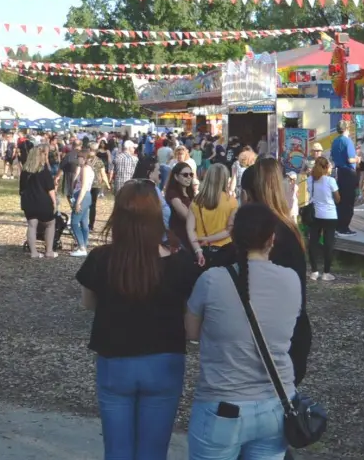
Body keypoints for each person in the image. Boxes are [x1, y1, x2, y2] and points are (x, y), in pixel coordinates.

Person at [77, 180, 200, 459]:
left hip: (115, 359)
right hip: (164, 361)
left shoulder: (100, 259)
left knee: (117, 450)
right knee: (154, 451)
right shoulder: (180, 264)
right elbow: (189, 313)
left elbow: (88, 303)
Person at [184, 203, 304, 460]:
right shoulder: (292, 280)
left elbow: (191, 332)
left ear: (234, 236)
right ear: (272, 238)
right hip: (277, 404)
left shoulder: (212, 279)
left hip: (222, 406)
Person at [237, 158, 313, 384]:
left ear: (249, 194)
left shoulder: (265, 234)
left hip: (269, 335)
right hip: (291, 329)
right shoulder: (289, 228)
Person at [306, 155, 339, 282]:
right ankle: (326, 273)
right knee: (328, 244)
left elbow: (311, 193)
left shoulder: (310, 180)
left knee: (313, 243)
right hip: (330, 215)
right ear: (326, 167)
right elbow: (338, 198)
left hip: (314, 215)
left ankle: (314, 271)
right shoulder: (331, 181)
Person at [164, 161, 205, 263]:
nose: (189, 177)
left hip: (193, 236)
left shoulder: (190, 194)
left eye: (191, 174)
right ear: (176, 177)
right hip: (180, 238)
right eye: (185, 175)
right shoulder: (173, 194)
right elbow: (186, 216)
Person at [193, 163, 236, 256]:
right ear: (225, 179)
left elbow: (190, 229)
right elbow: (230, 230)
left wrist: (198, 250)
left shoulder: (196, 201)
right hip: (226, 250)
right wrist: (209, 239)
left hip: (202, 248)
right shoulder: (232, 201)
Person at [330, 122, 359, 237]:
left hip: (339, 172)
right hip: (348, 172)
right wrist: (358, 159)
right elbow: (350, 159)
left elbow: (333, 157)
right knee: (348, 201)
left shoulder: (335, 141)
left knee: (340, 201)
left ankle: (338, 226)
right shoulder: (347, 141)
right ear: (347, 128)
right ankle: (344, 228)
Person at [70, 146, 97, 257]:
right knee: (84, 223)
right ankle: (84, 245)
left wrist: (78, 202)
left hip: (82, 195)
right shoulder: (87, 169)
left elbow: (84, 186)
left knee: (74, 222)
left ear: (85, 159)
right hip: (86, 196)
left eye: (81, 157)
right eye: (78, 157)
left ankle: (81, 246)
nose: (79, 159)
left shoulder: (85, 169)